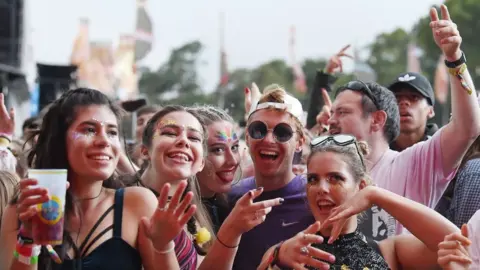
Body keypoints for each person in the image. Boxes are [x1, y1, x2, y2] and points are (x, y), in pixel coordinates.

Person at [315, 4, 480, 240]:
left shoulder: (414, 164)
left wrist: (454, 59)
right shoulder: (321, 175)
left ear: (376, 119)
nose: (331, 121)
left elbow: (467, 129)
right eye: (332, 113)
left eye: (342, 112)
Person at [0, 88, 196, 269]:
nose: (104, 141)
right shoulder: (22, 209)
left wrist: (163, 247)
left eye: (112, 132)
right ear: (59, 139)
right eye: (89, 130)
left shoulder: (137, 203)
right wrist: (28, 240)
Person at [258, 134, 460, 270]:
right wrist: (277, 255)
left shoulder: (389, 250)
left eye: (335, 178)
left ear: (361, 186)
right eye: (313, 179)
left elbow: (461, 246)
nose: (321, 188)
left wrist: (377, 195)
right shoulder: (288, 252)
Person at [229, 84, 315, 269]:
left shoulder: (316, 196)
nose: (268, 140)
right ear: (247, 136)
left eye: (282, 132)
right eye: (258, 130)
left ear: (300, 142)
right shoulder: (229, 198)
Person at [191, 105, 242, 232]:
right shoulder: (176, 214)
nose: (233, 161)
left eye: (234, 147)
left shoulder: (231, 203)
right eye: (218, 149)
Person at [388, 71, 438, 151]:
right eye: (396, 98)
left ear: (430, 111)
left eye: (414, 97)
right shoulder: (372, 149)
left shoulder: (444, 146)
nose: (403, 102)